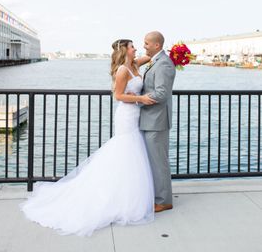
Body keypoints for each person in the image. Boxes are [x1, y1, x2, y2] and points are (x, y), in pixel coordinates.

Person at [18, 38, 157, 237]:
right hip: (126, 115)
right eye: (133, 46)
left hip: (136, 115)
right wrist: (141, 98)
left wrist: (177, 53)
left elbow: (152, 55)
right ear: (125, 50)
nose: (136, 49)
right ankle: (117, 197)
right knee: (126, 151)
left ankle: (125, 195)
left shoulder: (134, 64)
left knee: (132, 152)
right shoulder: (122, 71)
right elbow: (118, 95)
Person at [139, 31, 176, 213]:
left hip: (157, 120)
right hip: (150, 119)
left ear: (157, 45)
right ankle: (158, 196)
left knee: (159, 161)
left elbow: (161, 93)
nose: (143, 46)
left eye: (146, 43)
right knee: (153, 160)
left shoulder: (163, 64)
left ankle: (164, 201)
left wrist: (138, 99)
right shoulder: (155, 61)